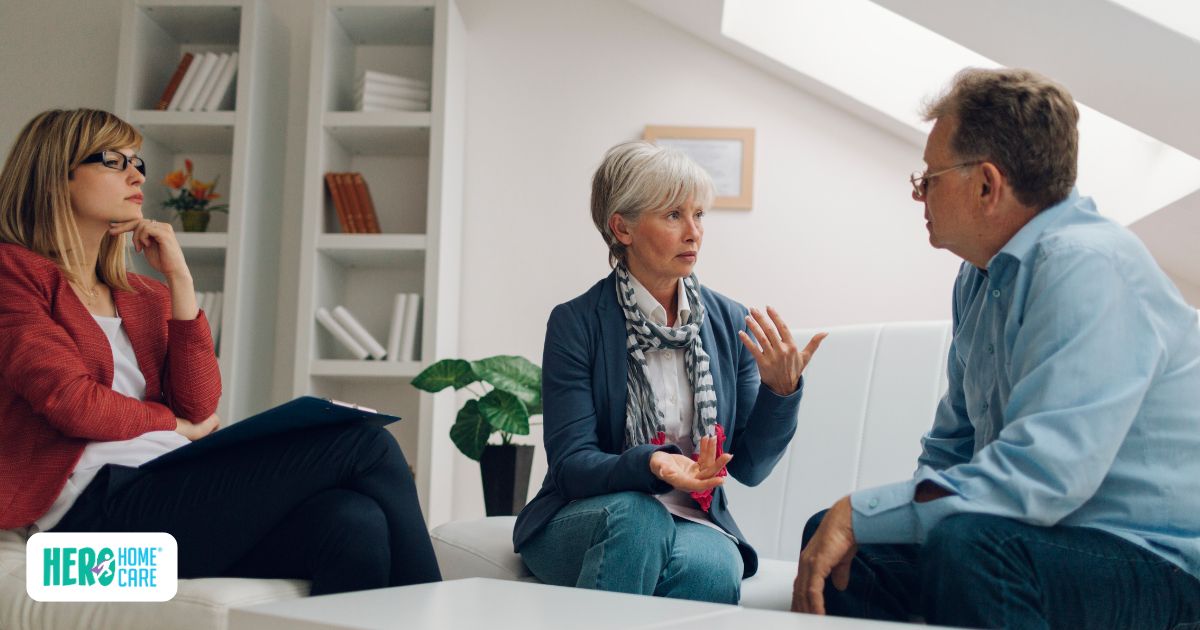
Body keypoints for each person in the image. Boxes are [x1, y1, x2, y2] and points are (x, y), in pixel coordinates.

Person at [794, 68, 1200, 628]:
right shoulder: (979, 278)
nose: (920, 193)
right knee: (835, 543)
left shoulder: (1086, 264)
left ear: (986, 185)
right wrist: (857, 522)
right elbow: (951, 447)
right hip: (1041, 540)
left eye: (929, 177)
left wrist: (865, 513)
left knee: (968, 547)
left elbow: (1044, 478)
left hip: (1154, 560)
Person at [0, 108, 441, 595]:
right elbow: (73, 403)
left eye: (137, 162)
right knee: (363, 442)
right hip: (89, 528)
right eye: (112, 160)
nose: (134, 174)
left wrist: (180, 283)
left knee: (353, 520)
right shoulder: (12, 274)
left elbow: (199, 406)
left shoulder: (142, 295)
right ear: (54, 175)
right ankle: (439, 614)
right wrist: (173, 426)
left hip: (168, 491)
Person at [513, 140, 827, 604]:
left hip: (695, 517)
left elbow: (752, 467)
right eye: (673, 215)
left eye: (698, 215)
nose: (694, 232)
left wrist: (781, 392)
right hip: (586, 514)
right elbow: (573, 466)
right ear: (622, 227)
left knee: (716, 567)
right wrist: (653, 463)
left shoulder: (729, 322)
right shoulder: (576, 323)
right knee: (640, 520)